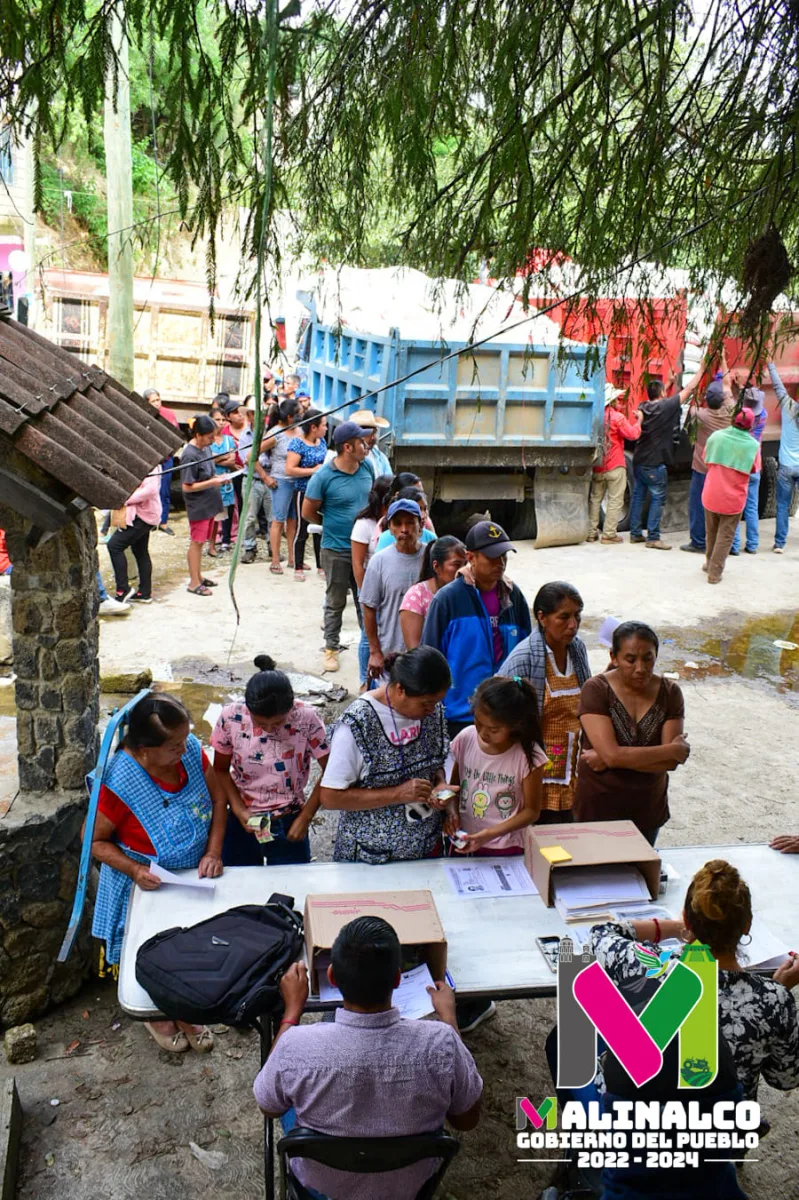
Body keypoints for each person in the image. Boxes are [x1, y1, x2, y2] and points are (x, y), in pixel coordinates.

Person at [253, 917, 482, 1200]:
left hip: (321, 1188)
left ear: (333, 977)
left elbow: (268, 1105)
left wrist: (291, 1013)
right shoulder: (442, 1043)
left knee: (285, 1087)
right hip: (408, 1188)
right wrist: (449, 1018)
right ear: (397, 979)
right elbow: (466, 1119)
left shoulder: (296, 1047)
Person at [588, 859, 799, 1102]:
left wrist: (672, 927)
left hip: (637, 1129)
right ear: (747, 924)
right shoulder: (774, 1000)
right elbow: (785, 1079)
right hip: (719, 1134)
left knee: (565, 1039)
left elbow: (600, 935)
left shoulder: (647, 966)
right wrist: (780, 992)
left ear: (688, 921)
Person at [86, 694, 226, 1052]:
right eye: (175, 745)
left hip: (193, 877)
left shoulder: (191, 750)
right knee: (151, 951)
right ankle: (157, 1015)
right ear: (145, 750)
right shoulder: (120, 778)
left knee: (189, 947)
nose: (186, 748)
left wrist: (212, 851)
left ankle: (184, 1007)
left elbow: (217, 799)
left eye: (185, 739)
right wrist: (135, 869)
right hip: (146, 884)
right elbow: (97, 843)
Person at [320, 646, 451, 863]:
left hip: (425, 849)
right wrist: (397, 793)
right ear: (400, 690)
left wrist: (440, 784)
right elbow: (330, 797)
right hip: (371, 858)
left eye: (436, 703)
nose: (431, 710)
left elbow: (436, 761)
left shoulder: (431, 712)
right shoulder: (359, 723)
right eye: (426, 703)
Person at [573, 621, 689, 844]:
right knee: (594, 875)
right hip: (598, 808)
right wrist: (670, 749)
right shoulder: (596, 689)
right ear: (614, 657)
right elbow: (613, 754)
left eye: (648, 658)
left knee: (639, 876)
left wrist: (611, 759)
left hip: (647, 810)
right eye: (630, 659)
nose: (640, 668)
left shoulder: (670, 693)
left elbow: (670, 763)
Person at [212, 655, 329, 866]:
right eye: (260, 723)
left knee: (290, 889)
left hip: (290, 821)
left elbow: (330, 771)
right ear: (248, 709)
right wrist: (239, 810)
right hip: (243, 822)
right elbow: (220, 770)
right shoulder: (231, 717)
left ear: (291, 708)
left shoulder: (306, 718)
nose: (268, 730)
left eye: (277, 723)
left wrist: (306, 817)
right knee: (241, 887)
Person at [421, 521, 531, 740]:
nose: (500, 563)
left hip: (505, 713)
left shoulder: (513, 597)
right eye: (492, 557)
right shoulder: (447, 600)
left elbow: (526, 650)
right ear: (470, 557)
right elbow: (430, 659)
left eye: (504, 556)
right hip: (460, 716)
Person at [498, 582, 591, 822]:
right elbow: (501, 716)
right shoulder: (523, 658)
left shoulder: (577, 649)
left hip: (571, 769)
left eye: (577, 616)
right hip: (535, 770)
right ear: (542, 617)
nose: (573, 625)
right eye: (564, 617)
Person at [443, 675, 545, 855]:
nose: (482, 733)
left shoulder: (529, 756)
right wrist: (452, 813)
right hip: (463, 841)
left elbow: (532, 811)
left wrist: (488, 835)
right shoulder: (466, 738)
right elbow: (454, 788)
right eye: (478, 722)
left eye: (494, 730)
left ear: (516, 725)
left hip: (506, 846)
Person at [303, 421, 373, 673]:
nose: (366, 446)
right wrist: (332, 524)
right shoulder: (324, 476)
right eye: (361, 442)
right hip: (336, 549)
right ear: (347, 447)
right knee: (335, 602)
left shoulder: (368, 467)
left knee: (365, 599)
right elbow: (308, 512)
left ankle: (370, 644)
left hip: (365, 550)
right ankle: (331, 648)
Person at [629, 363, 704, 549]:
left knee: (638, 496)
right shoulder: (665, 407)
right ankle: (653, 537)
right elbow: (689, 389)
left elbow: (661, 401)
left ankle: (635, 532)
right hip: (655, 463)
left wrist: (668, 382)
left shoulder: (643, 406)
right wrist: (702, 370)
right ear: (662, 394)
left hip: (639, 460)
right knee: (658, 498)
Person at [360, 499, 427, 681]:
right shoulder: (379, 561)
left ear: (420, 525)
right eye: (398, 524)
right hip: (391, 655)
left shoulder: (431, 558)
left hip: (427, 655)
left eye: (409, 523)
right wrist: (374, 651)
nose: (404, 529)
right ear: (389, 527)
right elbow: (369, 608)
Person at [701, 408, 761, 584]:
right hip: (733, 499)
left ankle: (708, 563)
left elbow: (706, 459)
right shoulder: (753, 446)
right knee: (725, 536)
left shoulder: (716, 437)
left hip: (711, 493)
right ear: (750, 426)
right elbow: (754, 469)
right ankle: (714, 573)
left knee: (711, 531)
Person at [681, 374, 736, 555]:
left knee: (697, 504)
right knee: (721, 506)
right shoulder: (730, 412)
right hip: (721, 469)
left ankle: (698, 541)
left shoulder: (700, 415)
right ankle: (723, 543)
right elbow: (728, 390)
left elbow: (689, 402)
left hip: (702, 468)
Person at [351, 475, 394, 689]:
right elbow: (358, 564)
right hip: (371, 587)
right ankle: (363, 680)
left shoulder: (394, 522)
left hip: (391, 589)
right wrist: (364, 593)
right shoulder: (364, 525)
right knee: (369, 636)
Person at [587, 385, 641, 544]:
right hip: (615, 465)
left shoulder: (595, 416)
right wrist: (639, 421)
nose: (619, 402)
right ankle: (609, 534)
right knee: (615, 500)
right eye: (616, 399)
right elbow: (633, 435)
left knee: (595, 499)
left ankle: (591, 533)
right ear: (610, 402)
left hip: (598, 465)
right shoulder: (617, 418)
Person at [180, 414, 224, 596]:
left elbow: (207, 475)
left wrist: (218, 479)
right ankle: (193, 583)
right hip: (198, 505)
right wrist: (211, 483)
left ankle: (198, 576)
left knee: (202, 541)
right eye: (209, 437)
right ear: (198, 434)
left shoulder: (205, 449)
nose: (212, 440)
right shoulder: (189, 454)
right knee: (196, 542)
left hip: (210, 502)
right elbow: (187, 487)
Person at [106, 465, 161, 604]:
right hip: (143, 514)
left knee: (114, 546)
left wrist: (125, 498)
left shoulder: (153, 466)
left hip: (144, 515)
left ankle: (123, 589)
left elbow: (150, 490)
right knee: (140, 551)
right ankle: (144, 592)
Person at [400, 536, 467, 651]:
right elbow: (415, 651)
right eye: (456, 564)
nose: (463, 570)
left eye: (466, 564)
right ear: (436, 566)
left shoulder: (469, 592)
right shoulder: (416, 597)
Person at [285, 407, 328, 581]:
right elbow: (290, 469)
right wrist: (313, 471)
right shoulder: (297, 444)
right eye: (323, 425)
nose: (326, 428)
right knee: (302, 529)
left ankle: (320, 565)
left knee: (319, 529)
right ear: (313, 427)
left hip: (322, 492)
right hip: (303, 491)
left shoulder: (322, 442)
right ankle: (298, 565)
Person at [261, 397, 301, 574]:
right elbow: (250, 457)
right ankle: (275, 560)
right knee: (278, 521)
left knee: (293, 521)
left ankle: (293, 558)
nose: (302, 415)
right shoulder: (276, 433)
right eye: (299, 413)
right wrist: (265, 477)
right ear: (290, 417)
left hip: (296, 481)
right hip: (281, 481)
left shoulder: (299, 431)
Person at [730, 383, 768, 554]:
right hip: (755, 465)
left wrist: (738, 390)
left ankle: (734, 545)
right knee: (751, 506)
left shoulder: (740, 419)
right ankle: (752, 544)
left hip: (740, 466)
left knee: (736, 506)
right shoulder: (764, 416)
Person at [768, 360, 799, 554]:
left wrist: (770, 364)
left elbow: (778, 386)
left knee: (782, 505)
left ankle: (780, 543)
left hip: (786, 466)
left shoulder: (789, 408)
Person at [144, 387, 179, 535]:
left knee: (164, 490)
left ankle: (163, 522)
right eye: (153, 401)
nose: (157, 403)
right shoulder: (143, 414)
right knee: (150, 491)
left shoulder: (169, 414)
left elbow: (175, 436)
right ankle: (151, 520)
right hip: (149, 459)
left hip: (166, 458)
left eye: (158, 400)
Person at [209, 404, 237, 553]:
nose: (220, 422)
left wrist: (217, 458)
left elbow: (232, 460)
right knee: (209, 515)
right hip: (210, 481)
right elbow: (207, 459)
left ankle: (217, 543)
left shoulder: (228, 439)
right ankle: (208, 543)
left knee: (221, 515)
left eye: (222, 419)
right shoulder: (207, 439)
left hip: (225, 482)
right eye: (217, 419)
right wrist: (223, 456)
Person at [351, 408, 392, 477]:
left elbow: (388, 479)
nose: (373, 438)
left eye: (374, 433)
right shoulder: (347, 458)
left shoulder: (379, 456)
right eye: (369, 434)